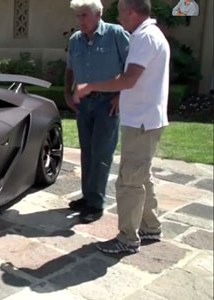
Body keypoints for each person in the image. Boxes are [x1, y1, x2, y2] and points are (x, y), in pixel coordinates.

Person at [74, 0, 170, 254]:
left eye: (120, 13)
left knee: (129, 182)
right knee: (142, 177)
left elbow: (129, 80)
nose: (119, 18)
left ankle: (127, 239)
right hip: (145, 119)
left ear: (130, 11)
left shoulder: (144, 37)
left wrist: (92, 86)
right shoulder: (148, 34)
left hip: (141, 121)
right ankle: (150, 227)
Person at [64, 0, 130, 223]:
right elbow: (70, 69)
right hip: (85, 104)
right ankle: (87, 196)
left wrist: (121, 95)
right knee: (87, 152)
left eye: (84, 15)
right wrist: (67, 93)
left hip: (107, 103)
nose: (80, 20)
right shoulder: (76, 40)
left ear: (98, 14)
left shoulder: (116, 34)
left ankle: (96, 203)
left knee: (101, 153)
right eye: (78, 16)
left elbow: (133, 68)